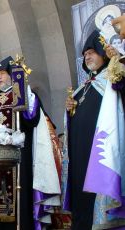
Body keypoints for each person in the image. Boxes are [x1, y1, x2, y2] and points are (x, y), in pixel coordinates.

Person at [0, 56, 60, 229]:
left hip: (18, 160)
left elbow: (31, 118)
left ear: (12, 76)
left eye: (3, 73)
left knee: (19, 199)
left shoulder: (23, 96)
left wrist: (24, 90)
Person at [64, 30, 125, 229]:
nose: (87, 56)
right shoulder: (83, 86)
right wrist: (69, 111)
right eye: (85, 53)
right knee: (82, 206)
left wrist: (117, 61)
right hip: (81, 159)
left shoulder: (113, 79)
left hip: (100, 157)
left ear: (103, 52)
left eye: (91, 51)